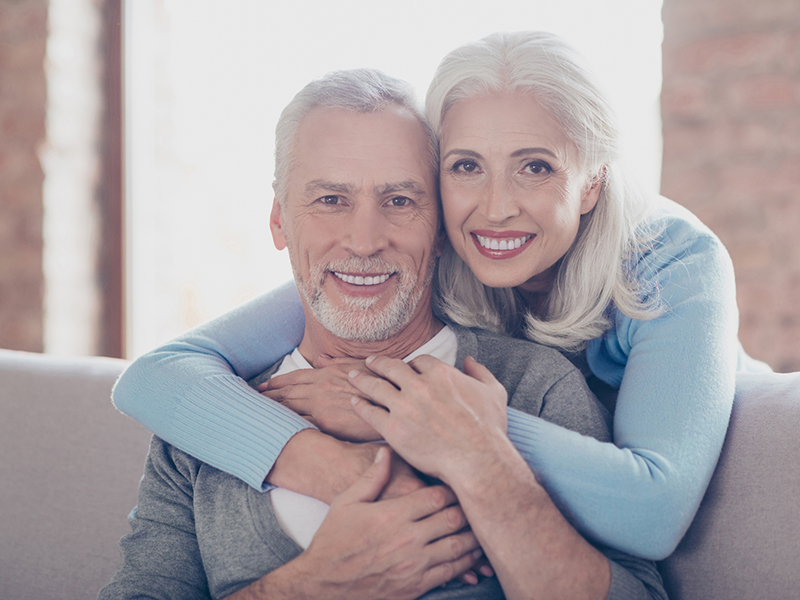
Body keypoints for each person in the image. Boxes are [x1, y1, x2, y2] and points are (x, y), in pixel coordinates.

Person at [112, 31, 770, 563]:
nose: (497, 207)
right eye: (465, 167)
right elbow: (157, 374)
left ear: (592, 182)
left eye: (535, 166)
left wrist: (407, 414)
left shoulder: (674, 263)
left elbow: (653, 514)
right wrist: (315, 459)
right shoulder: (431, 247)